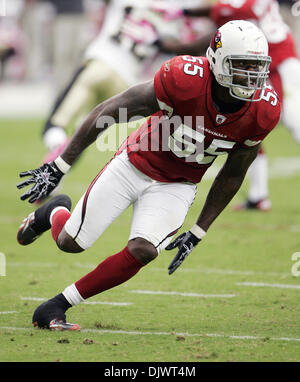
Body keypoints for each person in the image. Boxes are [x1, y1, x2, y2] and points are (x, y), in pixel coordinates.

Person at [16, 20, 281, 331]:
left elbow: (233, 174)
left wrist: (199, 230)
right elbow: (110, 109)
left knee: (144, 250)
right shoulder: (184, 78)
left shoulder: (264, 109)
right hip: (135, 163)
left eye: (257, 66)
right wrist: (59, 166)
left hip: (179, 184)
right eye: (242, 65)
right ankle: (54, 212)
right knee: (70, 242)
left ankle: (57, 305)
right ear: (218, 61)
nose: (251, 75)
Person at [164, 0, 300, 211]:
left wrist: (180, 26)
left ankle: (259, 195)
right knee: (250, 124)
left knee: (294, 124)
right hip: (270, 66)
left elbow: (218, 31)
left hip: (279, 66)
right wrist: (181, 13)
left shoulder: (239, 3)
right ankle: (258, 196)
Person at [22, 0, 183, 164]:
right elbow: (174, 48)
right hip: (125, 83)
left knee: (55, 126)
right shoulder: (168, 11)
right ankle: (54, 180)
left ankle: (55, 148)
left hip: (100, 64)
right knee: (84, 133)